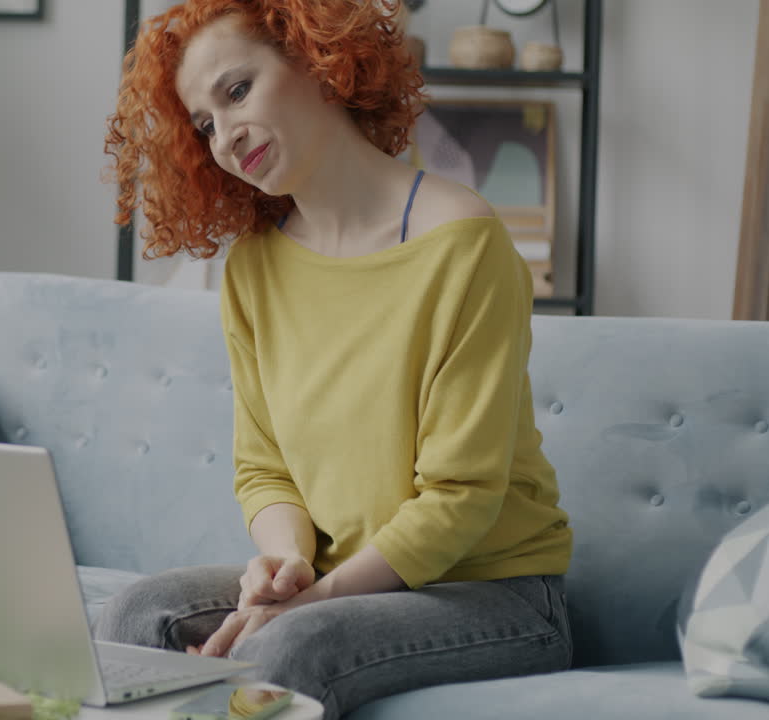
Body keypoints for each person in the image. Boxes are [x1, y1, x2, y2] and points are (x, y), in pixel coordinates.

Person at [94, 2, 574, 718]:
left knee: (294, 649)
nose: (224, 136)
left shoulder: (463, 243)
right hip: (337, 582)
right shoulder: (253, 269)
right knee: (140, 614)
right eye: (204, 124)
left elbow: (461, 496)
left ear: (317, 59)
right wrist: (286, 566)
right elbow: (265, 471)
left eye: (236, 92)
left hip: (495, 590)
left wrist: (310, 603)